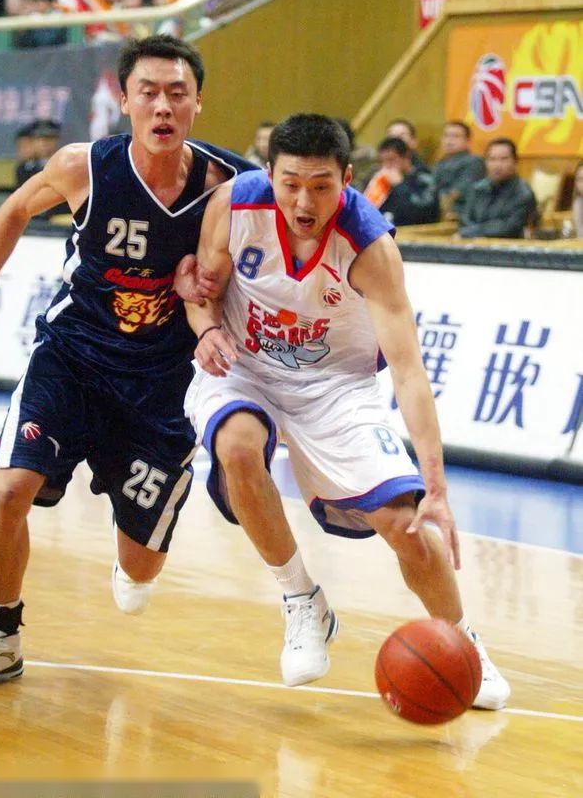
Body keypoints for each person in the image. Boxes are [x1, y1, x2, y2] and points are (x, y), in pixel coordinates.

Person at [0, 34, 256, 688]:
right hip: (71, 359)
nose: (163, 106)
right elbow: (15, 209)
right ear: (124, 102)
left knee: (141, 570)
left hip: (162, 385)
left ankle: (131, 542)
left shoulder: (235, 185)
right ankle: (0, 636)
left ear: (198, 104)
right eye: (148, 93)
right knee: (10, 488)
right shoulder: (85, 167)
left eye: (177, 94)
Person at [183, 113, 510, 710]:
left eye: (321, 186)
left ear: (348, 179)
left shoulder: (370, 246)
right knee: (236, 445)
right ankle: (301, 599)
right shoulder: (233, 206)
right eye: (290, 184)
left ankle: (463, 643)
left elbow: (408, 372)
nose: (304, 202)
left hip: (338, 387)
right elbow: (200, 294)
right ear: (269, 175)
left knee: (405, 524)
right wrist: (205, 330)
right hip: (245, 365)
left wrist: (436, 488)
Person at [459, 138, 537, 239]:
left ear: (515, 162)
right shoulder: (477, 189)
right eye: (492, 159)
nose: (497, 165)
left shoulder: (523, 193)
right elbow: (465, 220)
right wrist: (471, 233)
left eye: (504, 159)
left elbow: (509, 228)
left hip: (506, 246)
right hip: (471, 243)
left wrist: (472, 232)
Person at [364, 136, 438, 226]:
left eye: (391, 160)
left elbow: (422, 212)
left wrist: (399, 185)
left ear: (406, 157)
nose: (386, 166)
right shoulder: (383, 180)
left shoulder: (423, 177)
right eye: (382, 161)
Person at [433, 121, 485, 221]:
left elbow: (460, 191)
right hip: (440, 212)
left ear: (467, 141)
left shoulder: (474, 161)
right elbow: (431, 189)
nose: (449, 140)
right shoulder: (440, 164)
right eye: (446, 136)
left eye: (455, 136)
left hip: (462, 214)